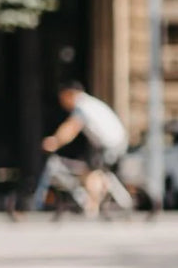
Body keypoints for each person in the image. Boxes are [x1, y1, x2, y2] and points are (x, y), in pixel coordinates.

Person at [41, 81, 129, 217]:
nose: (62, 104)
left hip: (109, 144)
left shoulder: (82, 106)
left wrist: (55, 141)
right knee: (91, 171)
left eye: (63, 99)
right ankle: (100, 196)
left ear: (70, 95)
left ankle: (92, 207)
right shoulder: (89, 103)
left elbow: (71, 128)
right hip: (113, 142)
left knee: (93, 174)